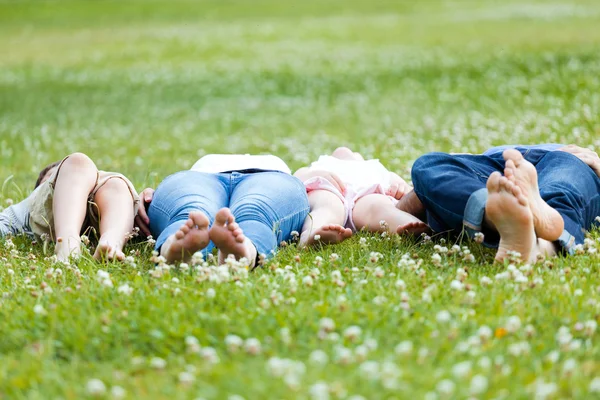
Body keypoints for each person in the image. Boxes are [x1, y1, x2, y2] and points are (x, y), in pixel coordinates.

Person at [399, 144, 600, 263]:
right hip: (491, 164)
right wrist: (416, 197)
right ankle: (502, 213)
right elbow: (417, 195)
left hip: (566, 158)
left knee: (561, 189)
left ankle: (535, 243)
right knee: (429, 164)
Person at [136, 154, 309, 269]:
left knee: (192, 211)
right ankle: (244, 251)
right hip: (202, 175)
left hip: (198, 177)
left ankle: (173, 249)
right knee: (256, 213)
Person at [0, 153, 140, 262]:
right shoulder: (25, 208)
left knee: (115, 185)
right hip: (73, 220)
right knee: (79, 164)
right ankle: (73, 241)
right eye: (55, 175)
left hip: (100, 214)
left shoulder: (99, 181)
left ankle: (110, 242)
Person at [293, 147, 429, 247]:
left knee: (379, 207)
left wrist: (400, 186)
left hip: (366, 196)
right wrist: (313, 174)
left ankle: (407, 225)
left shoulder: (374, 166)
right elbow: (296, 176)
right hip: (330, 190)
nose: (345, 150)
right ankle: (312, 233)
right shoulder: (320, 164)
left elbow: (402, 187)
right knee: (327, 207)